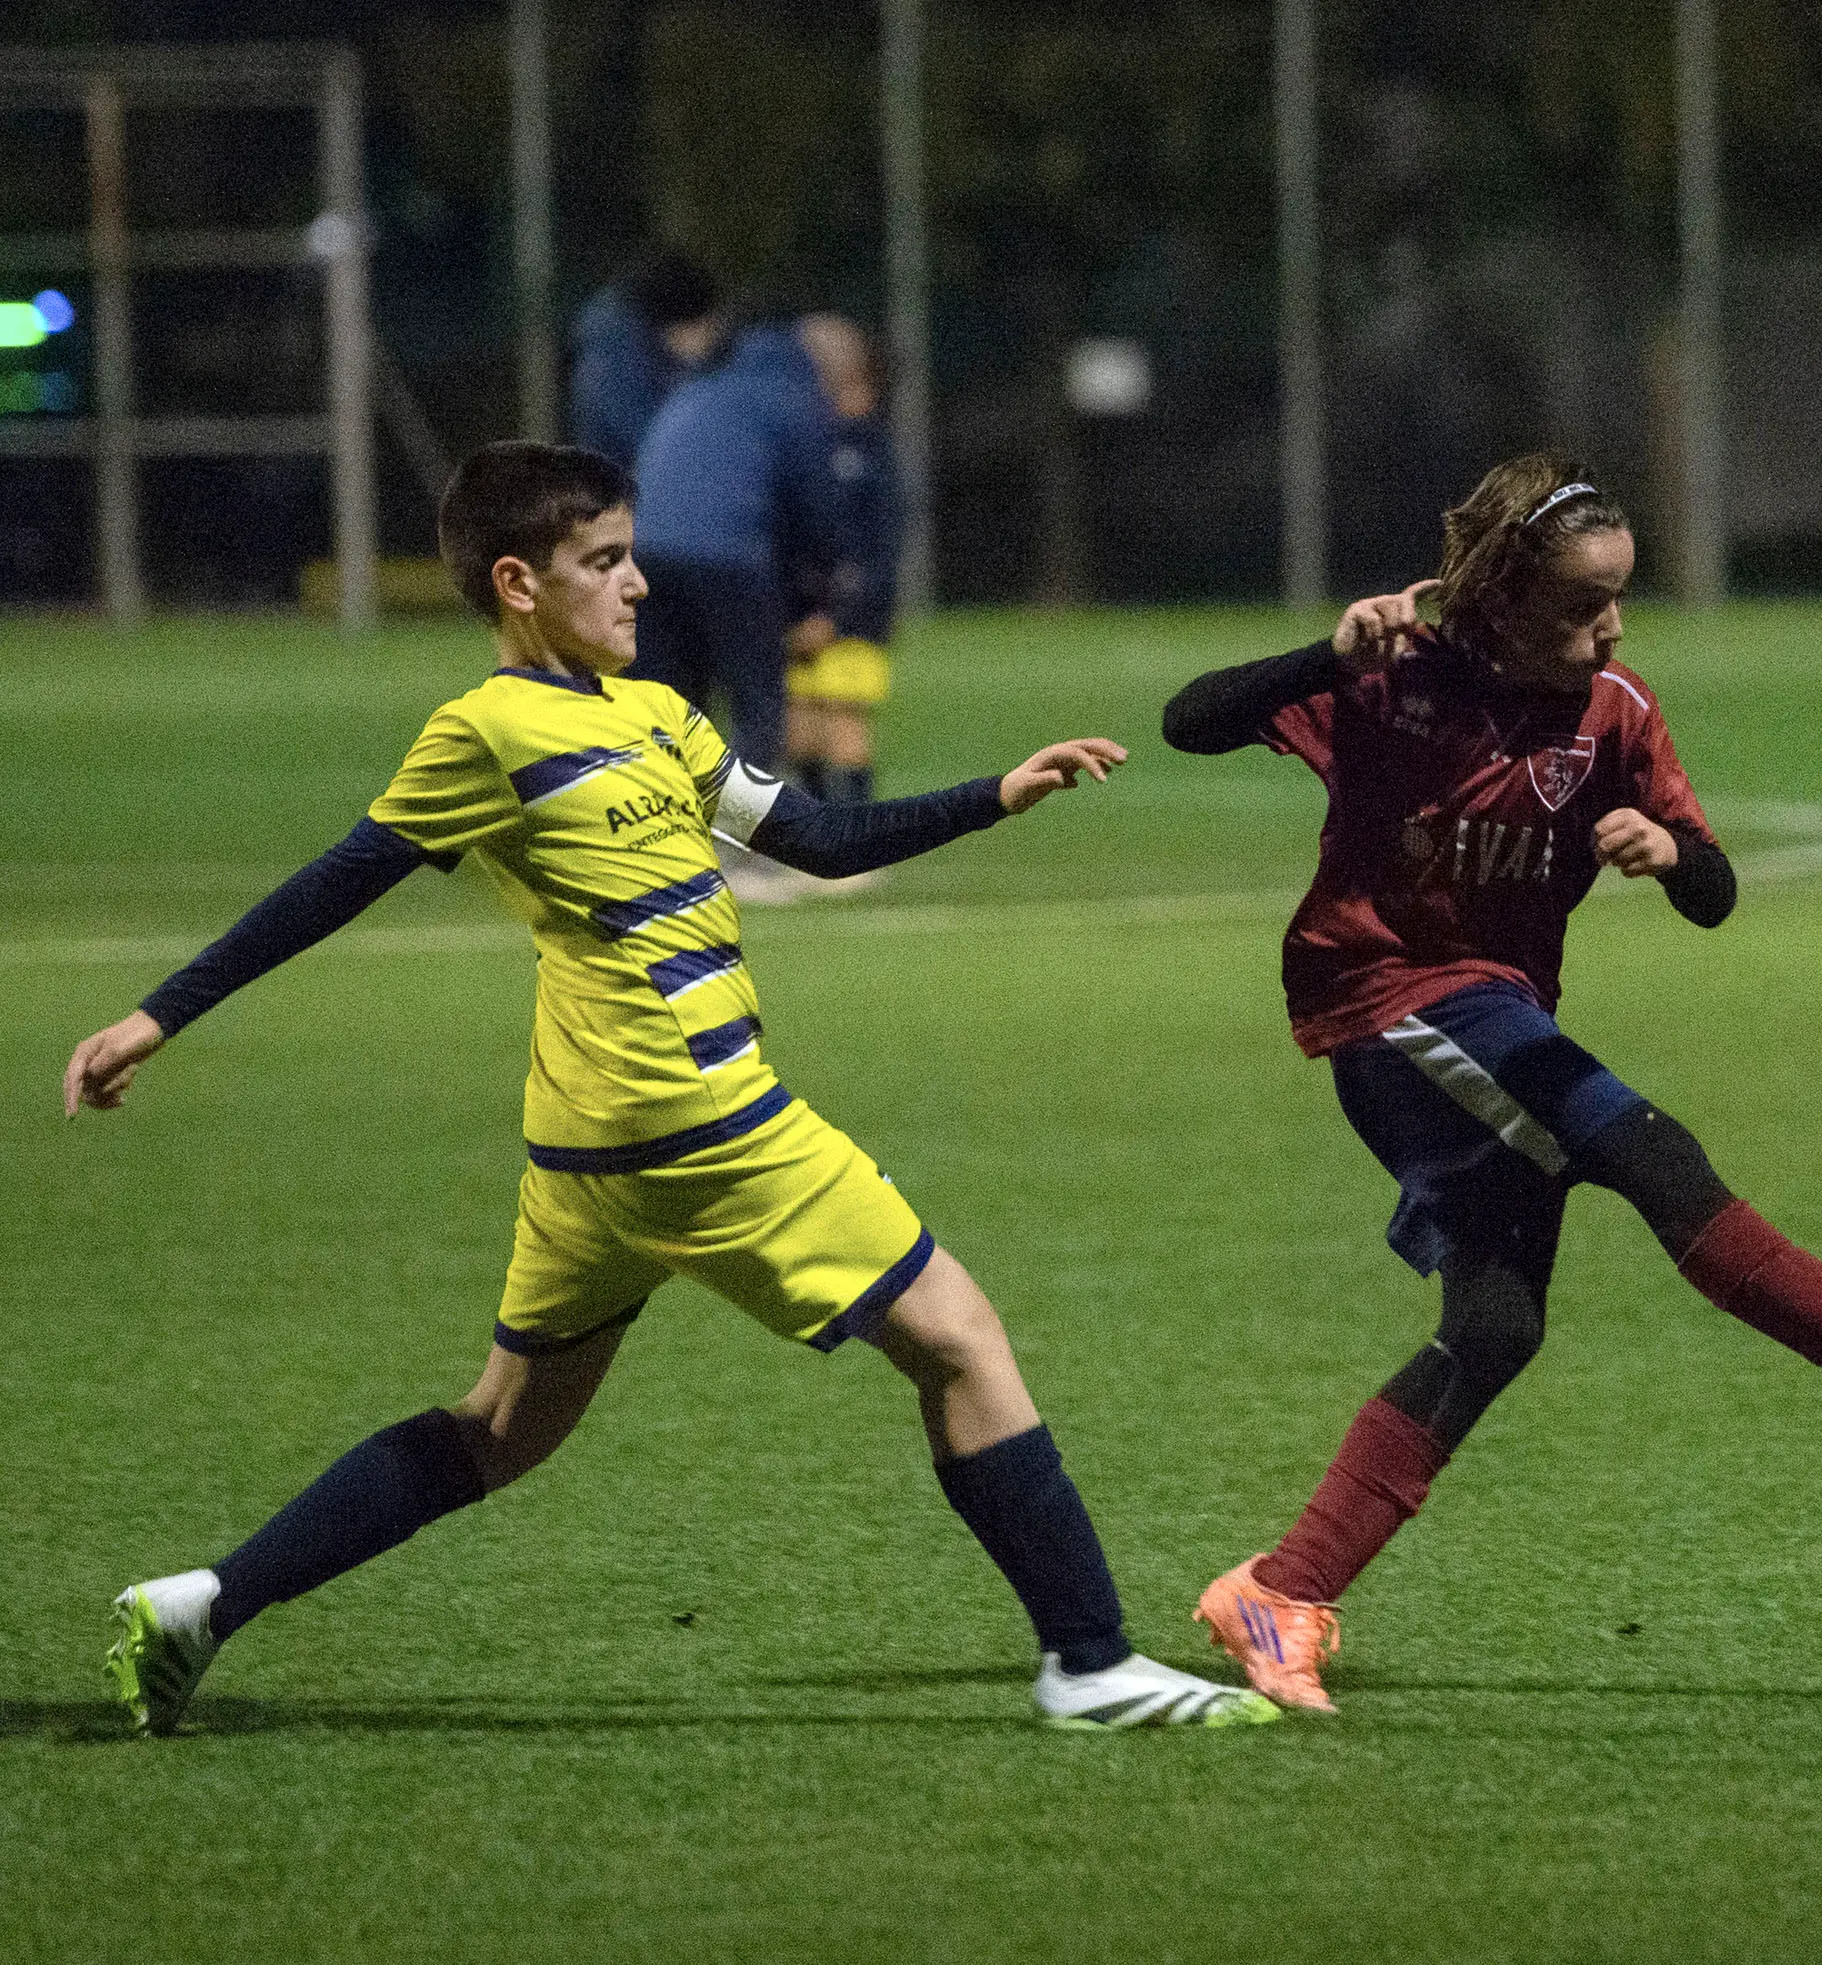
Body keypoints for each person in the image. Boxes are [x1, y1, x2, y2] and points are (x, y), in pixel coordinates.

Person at [73, 441, 1277, 1737]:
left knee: (501, 1429)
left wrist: (997, 792)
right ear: (519, 582)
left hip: (592, 1148)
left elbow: (814, 840)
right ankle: (1091, 1660)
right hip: (693, 1117)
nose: (638, 583)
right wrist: (161, 1013)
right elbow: (338, 879)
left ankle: (201, 1602)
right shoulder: (485, 730)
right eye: (605, 560)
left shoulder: (656, 716)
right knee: (962, 1340)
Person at [1161, 454, 1822, 1714]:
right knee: (1648, 1147)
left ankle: (1280, 1590)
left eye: (1621, 599)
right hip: (1388, 1004)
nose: (1613, 626)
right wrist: (1324, 655)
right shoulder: (1395, 679)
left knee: (1494, 1330)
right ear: (1507, 594)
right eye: (1586, 602)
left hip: (1495, 1018)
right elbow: (1186, 720)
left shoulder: (1615, 715)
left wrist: (1670, 851)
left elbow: (1715, 895)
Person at [629, 313, 861, 790]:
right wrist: (817, 597)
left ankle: (660, 827)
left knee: (669, 704)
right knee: (758, 704)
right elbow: (813, 508)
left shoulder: (697, 389)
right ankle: (740, 834)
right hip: (728, 557)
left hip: (645, 553)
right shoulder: (793, 399)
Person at [784, 316, 899, 809]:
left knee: (844, 718)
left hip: (852, 618)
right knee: (798, 726)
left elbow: (877, 549)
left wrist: (837, 615)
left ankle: (859, 836)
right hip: (801, 613)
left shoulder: (868, 451)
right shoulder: (808, 441)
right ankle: (821, 835)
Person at [568, 251, 725, 466]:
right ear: (681, 327)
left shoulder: (617, 351)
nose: (712, 339)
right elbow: (658, 444)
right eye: (707, 327)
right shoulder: (619, 366)